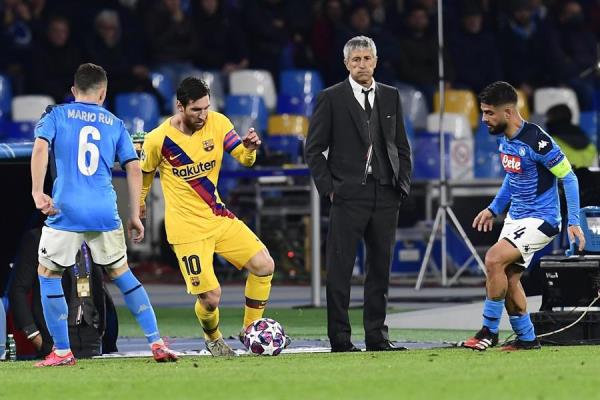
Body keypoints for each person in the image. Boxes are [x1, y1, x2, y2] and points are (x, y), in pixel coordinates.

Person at [30, 63, 178, 367]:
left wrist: (36, 191)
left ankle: (61, 351)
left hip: (66, 209)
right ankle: (156, 342)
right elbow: (133, 166)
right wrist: (135, 212)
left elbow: (41, 148)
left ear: (74, 91)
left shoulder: (57, 114)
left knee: (48, 274)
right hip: (104, 210)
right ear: (103, 93)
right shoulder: (115, 123)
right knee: (122, 273)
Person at [140, 77, 282, 357]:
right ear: (180, 106)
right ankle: (213, 337)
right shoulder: (158, 139)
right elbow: (145, 173)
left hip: (217, 216)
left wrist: (251, 149)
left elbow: (242, 156)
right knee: (210, 297)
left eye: (206, 108)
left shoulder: (218, 122)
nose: (203, 115)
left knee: (264, 264)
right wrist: (140, 203)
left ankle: (250, 329)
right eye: (196, 110)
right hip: (186, 230)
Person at [304, 36, 412, 352]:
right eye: (356, 60)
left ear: (375, 61)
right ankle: (340, 339)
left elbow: (401, 146)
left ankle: (377, 337)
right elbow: (313, 150)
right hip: (347, 196)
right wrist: (331, 191)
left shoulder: (391, 96)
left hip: (385, 194)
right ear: (347, 64)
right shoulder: (331, 98)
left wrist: (401, 185)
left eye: (367, 58)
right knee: (340, 270)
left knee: (380, 270)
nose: (362, 64)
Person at [464, 81, 586, 351]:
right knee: (508, 277)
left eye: (488, 113)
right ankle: (527, 339)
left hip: (542, 219)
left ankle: (489, 330)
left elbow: (569, 177)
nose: (483, 119)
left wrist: (574, 221)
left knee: (494, 258)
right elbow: (512, 178)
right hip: (516, 218)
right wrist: (494, 208)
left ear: (507, 112)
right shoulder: (506, 139)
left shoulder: (538, 141)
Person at [9, 228, 118, 359]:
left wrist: (100, 329)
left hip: (91, 335)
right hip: (53, 336)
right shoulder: (38, 237)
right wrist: (33, 334)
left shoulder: (93, 235)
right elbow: (18, 289)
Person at [545, 104, 597, 169]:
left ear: (552, 119)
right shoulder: (590, 144)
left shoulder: (549, 142)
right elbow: (595, 168)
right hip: (588, 177)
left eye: (548, 118)